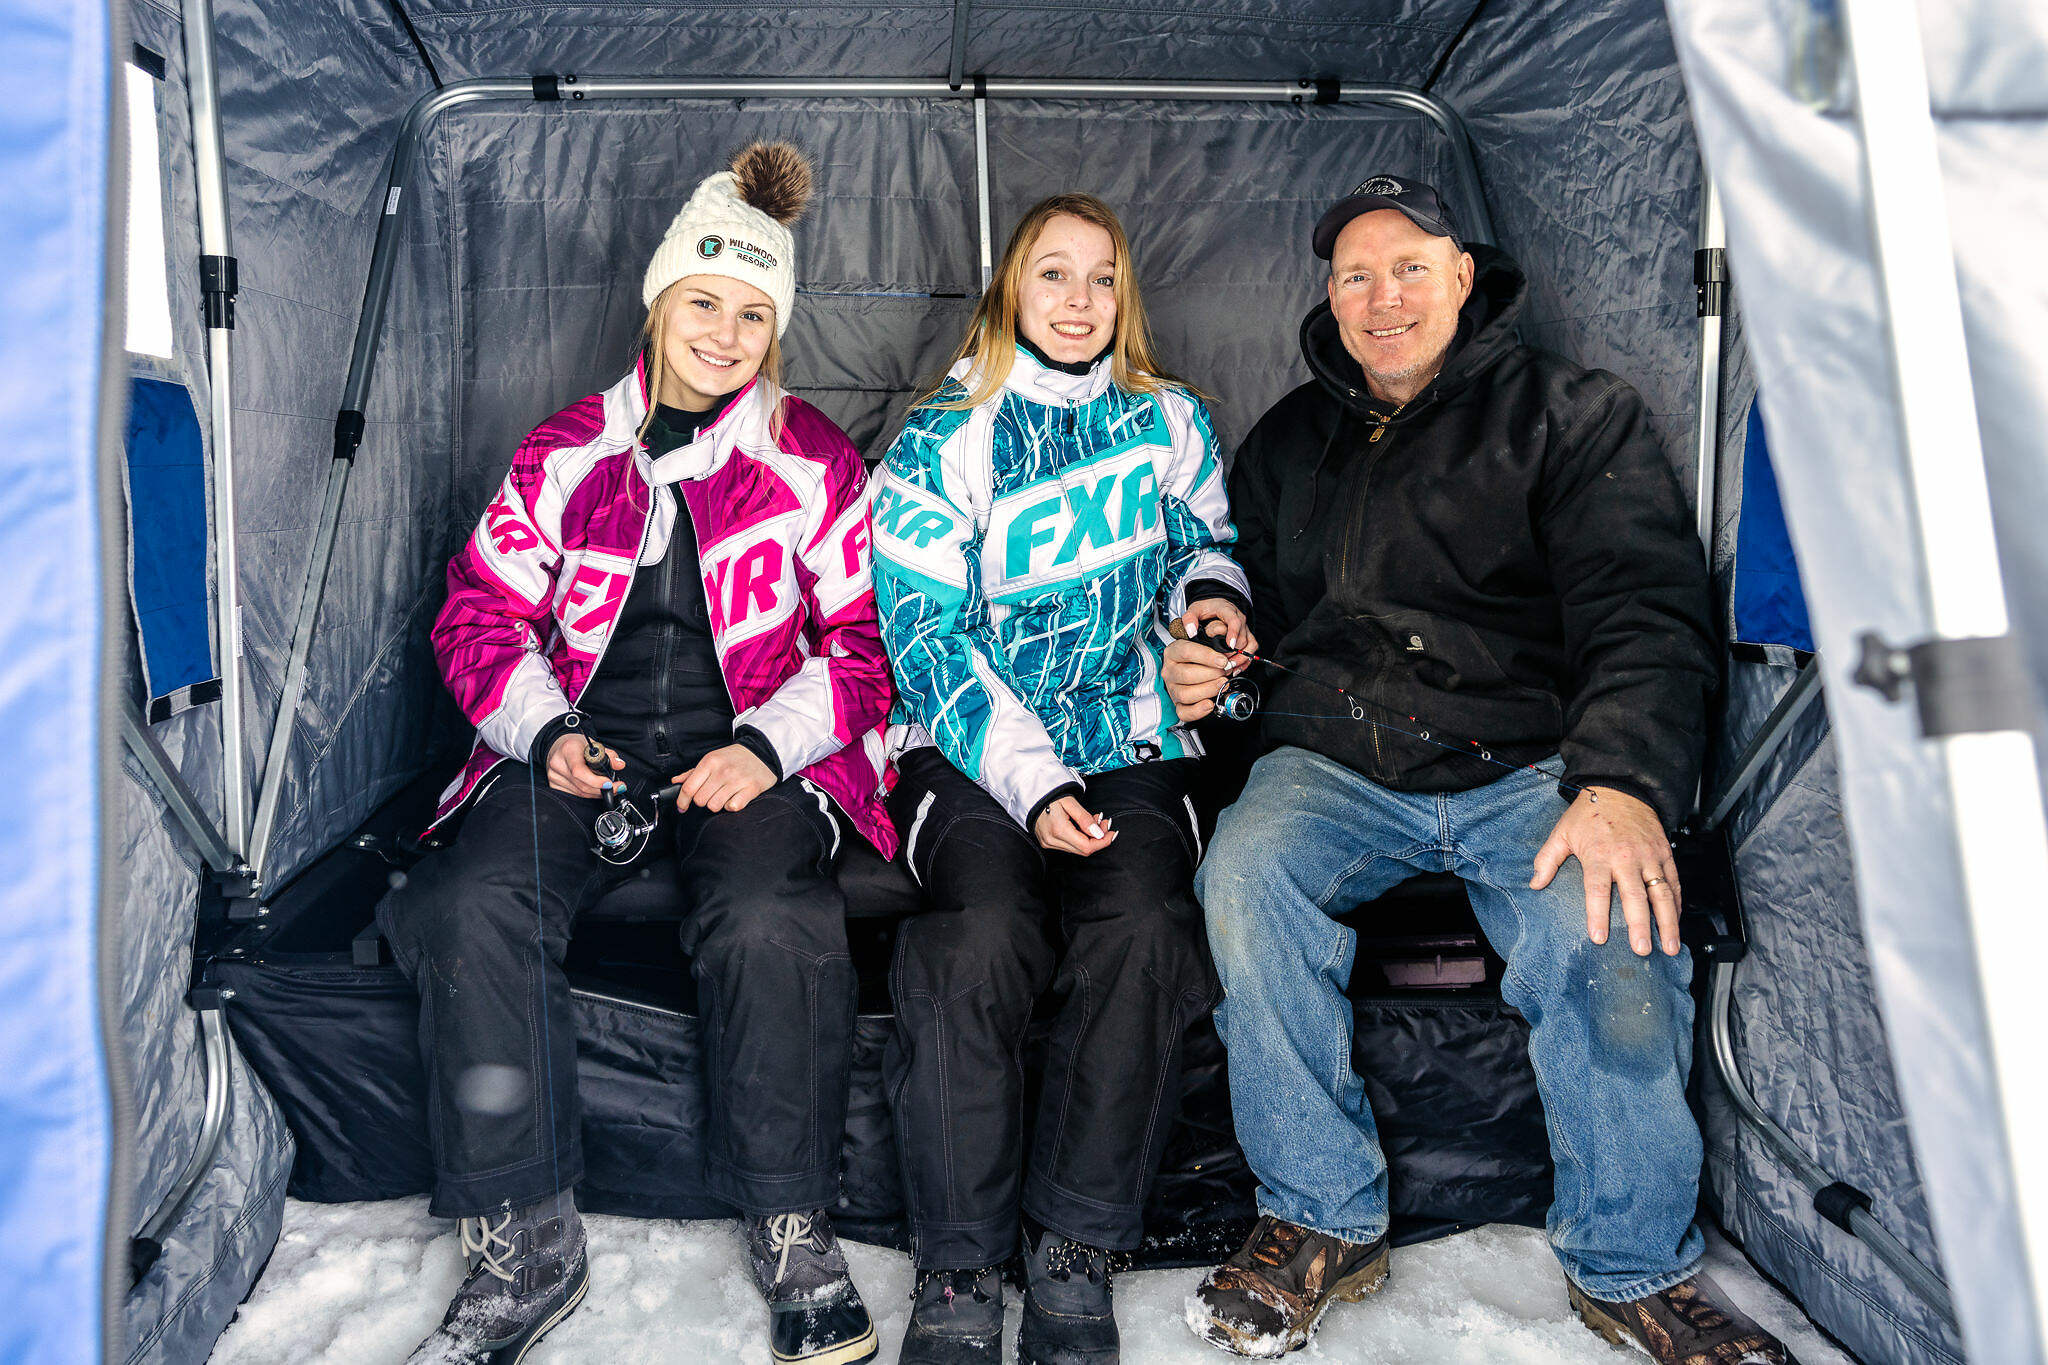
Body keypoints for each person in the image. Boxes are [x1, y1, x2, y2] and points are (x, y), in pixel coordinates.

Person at [1173, 176, 1790, 1365]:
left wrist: (1619, 783)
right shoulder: (1287, 441)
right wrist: (1217, 655)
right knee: (1243, 880)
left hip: (1530, 763)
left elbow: (1644, 613)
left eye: (1408, 267)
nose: (1380, 297)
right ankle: (1317, 1219)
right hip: (1336, 761)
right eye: (1354, 275)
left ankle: (1629, 1265)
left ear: (1464, 275)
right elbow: (1238, 601)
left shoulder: (1570, 414)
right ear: (1329, 298)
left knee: (1607, 925)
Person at [376, 143, 894, 1365]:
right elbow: (478, 614)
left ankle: (790, 1224)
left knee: (773, 919)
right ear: (658, 300)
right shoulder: (564, 450)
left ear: (777, 330)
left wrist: (767, 747)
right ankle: (524, 1236)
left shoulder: (812, 461)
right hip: (579, 747)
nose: (724, 333)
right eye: (704, 301)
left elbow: (866, 646)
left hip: (752, 756)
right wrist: (545, 733)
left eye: (754, 313)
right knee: (467, 902)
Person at [869, 193, 1252, 1365]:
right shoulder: (940, 437)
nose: (1078, 301)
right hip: (970, 746)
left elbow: (1204, 544)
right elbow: (925, 641)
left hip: (1130, 741)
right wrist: (1031, 788)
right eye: (1052, 275)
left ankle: (1075, 1249)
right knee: (976, 932)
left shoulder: (1168, 418)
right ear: (1010, 291)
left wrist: (1215, 617)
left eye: (1100, 278)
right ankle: (958, 1264)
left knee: (1139, 924)